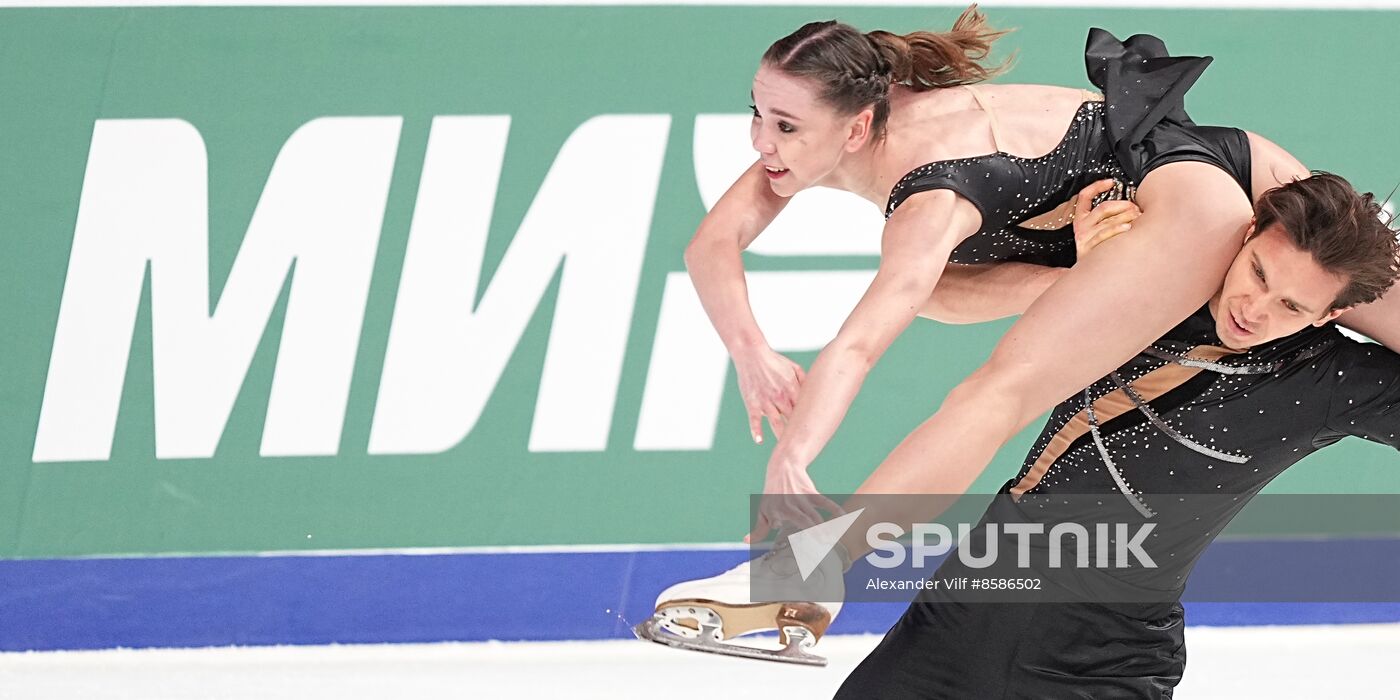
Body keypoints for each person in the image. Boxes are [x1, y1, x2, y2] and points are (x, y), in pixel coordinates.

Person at [637, 174, 1400, 688]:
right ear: (1245, 235)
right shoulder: (1151, 274)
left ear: (1336, 315)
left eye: (1293, 307)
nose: (1256, 310)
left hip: (1106, 655)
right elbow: (933, 294)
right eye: (1260, 273)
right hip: (978, 592)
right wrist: (1071, 267)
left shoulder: (1331, 380)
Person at [681, 6, 1400, 543]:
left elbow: (862, 342)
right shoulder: (837, 120)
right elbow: (711, 245)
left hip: (1201, 188)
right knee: (942, 299)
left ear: (856, 129)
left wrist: (795, 456)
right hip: (1164, 192)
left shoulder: (930, 200)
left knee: (991, 395)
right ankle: (806, 580)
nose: (761, 143)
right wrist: (750, 349)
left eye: (782, 126)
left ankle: (808, 577)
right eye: (760, 115)